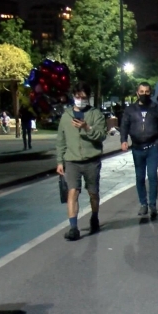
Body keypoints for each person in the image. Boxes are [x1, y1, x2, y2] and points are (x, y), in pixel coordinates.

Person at [56, 82, 107, 241]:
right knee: (73, 191)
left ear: (88, 98)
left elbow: (102, 135)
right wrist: (59, 161)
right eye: (77, 97)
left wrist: (87, 128)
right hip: (72, 161)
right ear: (73, 97)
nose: (80, 100)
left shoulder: (95, 114)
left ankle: (94, 216)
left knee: (93, 192)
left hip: (91, 160)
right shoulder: (66, 116)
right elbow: (61, 140)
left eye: (83, 97)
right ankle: (73, 228)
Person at [121, 82, 158, 219]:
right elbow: (124, 125)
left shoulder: (157, 109)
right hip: (137, 148)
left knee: (152, 175)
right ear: (137, 92)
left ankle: (152, 204)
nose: (144, 94)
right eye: (141, 91)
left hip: (152, 147)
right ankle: (143, 204)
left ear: (150, 93)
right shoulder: (130, 110)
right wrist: (123, 140)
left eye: (147, 91)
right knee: (140, 177)